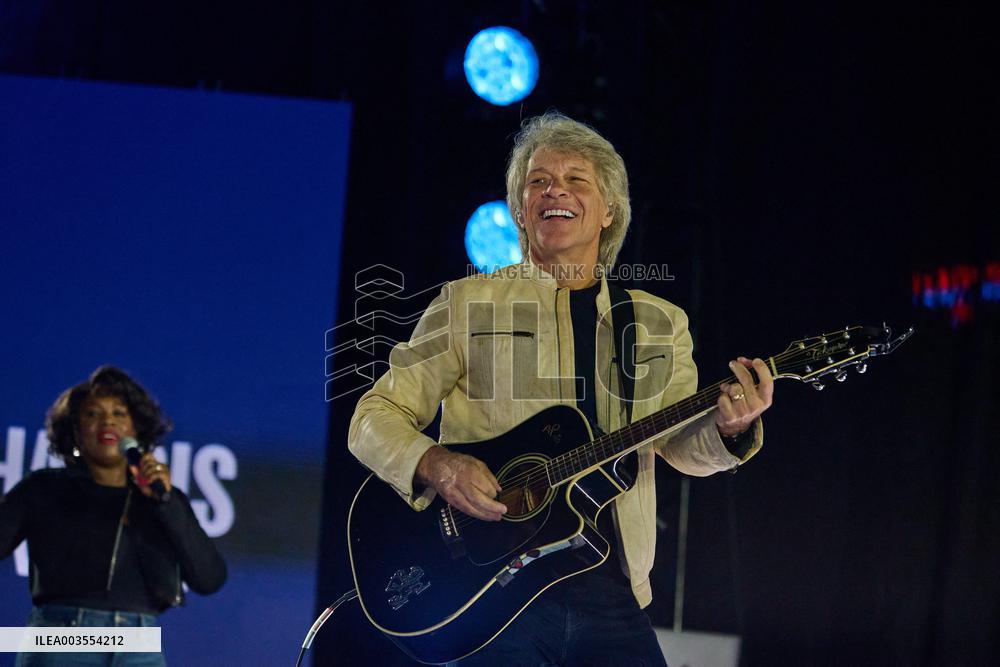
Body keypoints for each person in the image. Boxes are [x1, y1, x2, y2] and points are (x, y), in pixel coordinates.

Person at [349, 111, 774, 665]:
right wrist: (436, 464)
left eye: (577, 179)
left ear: (609, 210)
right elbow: (371, 417)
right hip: (497, 595)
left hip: (612, 592)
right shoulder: (463, 304)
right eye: (538, 181)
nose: (556, 190)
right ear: (521, 211)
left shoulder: (658, 322)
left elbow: (680, 446)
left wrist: (729, 429)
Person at [0, 366, 227, 666]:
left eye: (120, 413)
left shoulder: (162, 499)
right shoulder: (44, 488)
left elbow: (209, 579)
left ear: (136, 430)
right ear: (75, 432)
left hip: (139, 646)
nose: (107, 420)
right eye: (93, 414)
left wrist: (165, 503)